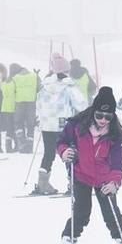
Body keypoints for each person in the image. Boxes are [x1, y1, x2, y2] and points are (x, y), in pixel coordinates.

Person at [54, 86, 122, 244]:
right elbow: (60, 142)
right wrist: (64, 152)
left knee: (112, 214)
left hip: (104, 178)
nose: (103, 120)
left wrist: (114, 182)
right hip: (81, 174)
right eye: (100, 115)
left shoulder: (115, 133)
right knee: (82, 212)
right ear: (94, 111)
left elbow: (118, 162)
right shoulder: (76, 125)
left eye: (108, 117)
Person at [35, 53, 87, 195]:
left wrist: (43, 119)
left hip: (47, 126)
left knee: (49, 154)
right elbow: (82, 105)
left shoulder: (45, 86)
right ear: (66, 70)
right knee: (68, 153)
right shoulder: (69, 86)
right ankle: (74, 185)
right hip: (64, 126)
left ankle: (42, 184)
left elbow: (38, 104)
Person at [9, 62, 40, 154]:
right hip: (31, 103)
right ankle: (29, 147)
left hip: (19, 103)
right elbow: (39, 88)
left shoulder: (15, 78)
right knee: (30, 125)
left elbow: (12, 92)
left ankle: (22, 144)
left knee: (18, 123)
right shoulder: (34, 76)